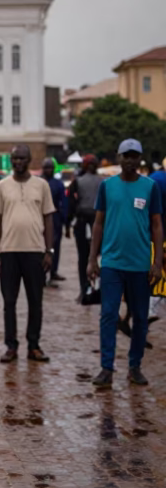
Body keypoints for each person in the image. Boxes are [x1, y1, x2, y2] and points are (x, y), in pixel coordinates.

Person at [88, 139, 163, 389]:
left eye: (135, 156)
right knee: (108, 315)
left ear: (140, 159)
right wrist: (92, 259)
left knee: (140, 317)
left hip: (140, 265)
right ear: (118, 157)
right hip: (112, 263)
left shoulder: (150, 187)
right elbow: (98, 223)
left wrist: (157, 262)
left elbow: (156, 225)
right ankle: (107, 368)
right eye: (126, 156)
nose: (130, 161)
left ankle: (135, 366)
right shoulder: (107, 186)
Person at [0, 144, 55, 364]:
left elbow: (48, 218)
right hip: (8, 252)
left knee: (35, 301)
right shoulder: (2, 186)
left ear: (30, 160)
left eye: (22, 158)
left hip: (35, 252)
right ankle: (11, 346)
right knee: (9, 301)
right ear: (11, 160)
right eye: (14, 158)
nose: (18, 162)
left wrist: (49, 250)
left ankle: (34, 345)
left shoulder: (42, 185)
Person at [66, 155, 102, 301]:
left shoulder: (77, 182)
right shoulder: (103, 182)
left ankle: (86, 289)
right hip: (97, 223)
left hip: (86, 223)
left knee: (84, 258)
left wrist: (67, 224)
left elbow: (71, 205)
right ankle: (95, 288)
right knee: (99, 257)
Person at [41, 157, 67, 284]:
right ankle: (42, 273)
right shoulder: (38, 183)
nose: (48, 170)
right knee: (42, 246)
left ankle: (53, 271)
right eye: (46, 167)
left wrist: (64, 218)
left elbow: (63, 201)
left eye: (50, 167)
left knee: (55, 246)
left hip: (55, 217)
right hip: (40, 218)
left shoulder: (58, 184)